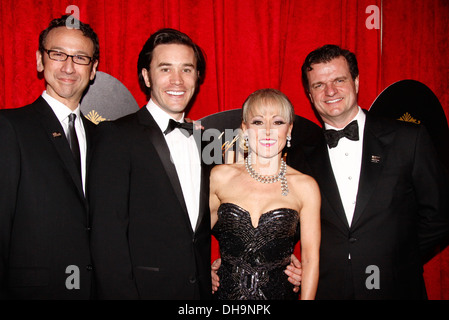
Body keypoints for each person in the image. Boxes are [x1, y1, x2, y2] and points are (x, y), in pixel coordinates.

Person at [287, 44, 449, 299]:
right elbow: (285, 225)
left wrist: (399, 257)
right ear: (309, 93)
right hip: (328, 289)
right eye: (319, 85)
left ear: (356, 82)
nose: (330, 91)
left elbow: (441, 213)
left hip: (396, 287)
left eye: (339, 80)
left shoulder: (408, 138)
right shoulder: (299, 156)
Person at [88, 28, 211, 299]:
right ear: (146, 76)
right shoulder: (117, 136)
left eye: (187, 70)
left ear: (197, 77)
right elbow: (107, 237)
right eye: (165, 69)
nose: (177, 80)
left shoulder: (205, 139)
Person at [0, 15, 99, 299]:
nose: (68, 66)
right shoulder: (10, 127)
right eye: (57, 54)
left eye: (80, 57)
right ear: (39, 61)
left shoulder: (104, 137)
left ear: (93, 69)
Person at [209, 88, 321, 300]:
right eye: (258, 122)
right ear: (245, 128)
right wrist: (201, 270)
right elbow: (193, 240)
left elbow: (310, 261)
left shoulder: (305, 186)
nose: (268, 130)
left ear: (289, 130)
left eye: (278, 122)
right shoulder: (220, 176)